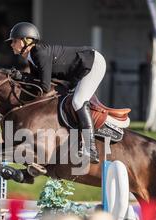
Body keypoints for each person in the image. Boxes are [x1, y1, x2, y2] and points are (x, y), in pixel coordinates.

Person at [6, 22, 106, 163]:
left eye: (14, 41)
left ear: (26, 41)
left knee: (78, 101)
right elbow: (36, 81)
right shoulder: (32, 57)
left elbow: (44, 87)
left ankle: (91, 149)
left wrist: (21, 77)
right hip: (77, 72)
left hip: (93, 63)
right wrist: (21, 77)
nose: (11, 44)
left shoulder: (38, 53)